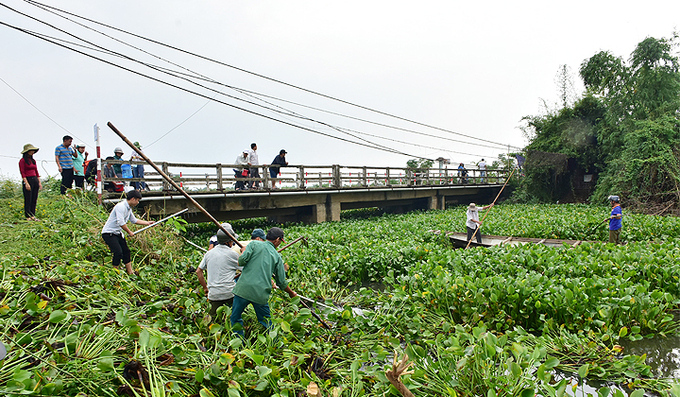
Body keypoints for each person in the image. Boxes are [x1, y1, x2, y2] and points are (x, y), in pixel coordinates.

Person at [230, 227, 297, 336]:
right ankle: (274, 343)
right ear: (277, 240)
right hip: (260, 294)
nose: (279, 244)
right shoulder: (277, 256)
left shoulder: (253, 244)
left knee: (235, 317)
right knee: (267, 321)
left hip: (243, 290)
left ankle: (239, 344)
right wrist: (291, 293)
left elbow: (241, 262)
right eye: (280, 241)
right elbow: (281, 282)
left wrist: (243, 251)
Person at [101, 190, 154, 275]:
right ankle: (115, 273)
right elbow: (121, 222)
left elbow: (134, 220)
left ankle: (130, 272)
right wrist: (129, 232)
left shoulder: (128, 208)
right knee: (118, 252)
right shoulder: (121, 207)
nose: (138, 202)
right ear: (133, 199)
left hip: (118, 233)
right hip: (109, 233)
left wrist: (147, 223)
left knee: (126, 251)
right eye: (137, 200)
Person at [196, 225, 243, 317]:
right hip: (230, 293)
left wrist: (205, 288)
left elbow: (198, 271)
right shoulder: (233, 254)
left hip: (213, 294)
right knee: (236, 315)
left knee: (213, 319)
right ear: (229, 242)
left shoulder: (208, 254)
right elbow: (247, 270)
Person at [19, 143, 42, 221]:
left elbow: (36, 171)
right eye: (31, 150)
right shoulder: (22, 161)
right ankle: (28, 216)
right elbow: (22, 172)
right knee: (28, 198)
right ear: (27, 151)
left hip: (35, 179)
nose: (32, 152)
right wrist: (26, 183)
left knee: (34, 198)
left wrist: (39, 182)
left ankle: (33, 215)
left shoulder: (33, 161)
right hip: (28, 180)